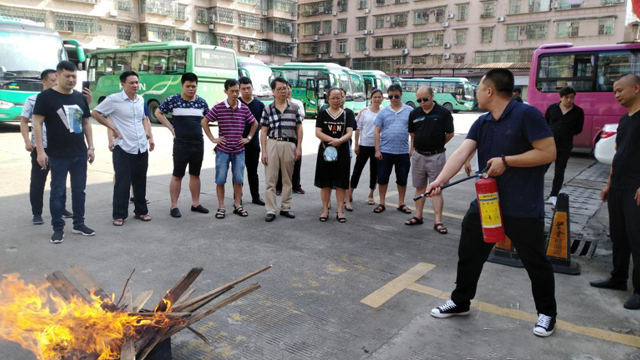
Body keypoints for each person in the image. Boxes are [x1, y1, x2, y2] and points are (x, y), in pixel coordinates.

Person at [426, 69, 558, 337]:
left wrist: (507, 160)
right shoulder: (483, 121)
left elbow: (548, 152)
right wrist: (439, 181)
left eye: (478, 88)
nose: (475, 93)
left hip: (522, 206)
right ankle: (461, 301)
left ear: (489, 91)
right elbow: (462, 151)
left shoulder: (526, 115)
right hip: (487, 203)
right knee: (470, 253)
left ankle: (547, 313)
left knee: (535, 262)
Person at [590, 73, 640, 310]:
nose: (617, 95)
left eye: (620, 90)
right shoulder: (624, 120)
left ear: (636, 88)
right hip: (618, 186)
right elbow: (618, 154)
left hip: (636, 188)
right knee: (619, 237)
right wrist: (609, 184)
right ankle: (618, 278)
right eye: (615, 91)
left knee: (637, 238)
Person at [33, 61, 96, 244]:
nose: (71, 79)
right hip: (57, 154)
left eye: (74, 76)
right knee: (57, 192)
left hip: (80, 153)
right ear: (58, 75)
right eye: (67, 76)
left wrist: (90, 147)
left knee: (79, 191)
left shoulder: (79, 97)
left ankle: (79, 224)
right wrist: (40, 151)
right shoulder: (46, 97)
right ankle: (58, 228)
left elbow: (85, 122)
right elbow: (36, 123)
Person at [92, 71, 155, 226]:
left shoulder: (140, 99)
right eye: (131, 83)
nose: (135, 85)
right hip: (124, 147)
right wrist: (112, 128)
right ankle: (119, 214)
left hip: (140, 146)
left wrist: (149, 137)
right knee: (122, 182)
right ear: (123, 84)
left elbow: (143, 119)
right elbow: (95, 113)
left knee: (140, 181)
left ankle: (141, 211)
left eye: (136, 82)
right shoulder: (114, 99)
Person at [20, 69, 73, 225]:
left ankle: (61, 208)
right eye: (52, 80)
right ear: (43, 81)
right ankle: (37, 212)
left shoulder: (64, 98)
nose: (56, 83)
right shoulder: (32, 100)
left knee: (60, 180)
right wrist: (27, 141)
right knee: (38, 181)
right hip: (40, 148)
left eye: (57, 80)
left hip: (60, 147)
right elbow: (24, 122)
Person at [155, 72, 210, 218]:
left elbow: (207, 120)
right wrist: (171, 128)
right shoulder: (174, 100)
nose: (191, 89)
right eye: (188, 86)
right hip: (181, 144)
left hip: (198, 143)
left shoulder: (202, 102)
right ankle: (174, 206)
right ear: (182, 86)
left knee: (195, 174)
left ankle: (196, 204)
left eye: (194, 86)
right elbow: (158, 112)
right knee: (177, 175)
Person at [202, 79, 257, 219]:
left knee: (238, 179)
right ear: (225, 91)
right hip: (222, 151)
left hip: (239, 150)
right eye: (232, 91)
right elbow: (204, 121)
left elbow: (255, 123)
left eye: (236, 91)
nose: (234, 94)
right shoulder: (219, 107)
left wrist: (248, 138)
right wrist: (213, 139)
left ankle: (238, 205)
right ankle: (221, 207)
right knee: (220, 179)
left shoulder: (244, 108)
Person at [406, 86, 454, 232]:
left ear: (432, 96)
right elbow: (412, 133)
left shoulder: (443, 113)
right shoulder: (414, 113)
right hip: (419, 155)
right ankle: (418, 216)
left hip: (436, 156)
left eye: (425, 99)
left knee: (436, 189)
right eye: (419, 100)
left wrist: (437, 144)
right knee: (419, 187)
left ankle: (438, 222)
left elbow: (450, 134)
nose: (422, 102)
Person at [260, 77, 303, 222]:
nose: (283, 91)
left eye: (285, 88)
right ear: (273, 91)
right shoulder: (267, 109)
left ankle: (286, 207)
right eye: (279, 89)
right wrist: (264, 151)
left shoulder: (294, 107)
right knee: (270, 180)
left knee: (287, 179)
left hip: (289, 144)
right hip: (272, 143)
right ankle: (271, 210)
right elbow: (264, 131)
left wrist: (299, 147)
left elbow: (299, 127)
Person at [315, 87, 356, 223]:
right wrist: (331, 140)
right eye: (333, 98)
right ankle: (325, 210)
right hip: (325, 151)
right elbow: (318, 132)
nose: (336, 100)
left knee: (341, 183)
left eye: (338, 97)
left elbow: (350, 132)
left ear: (342, 98)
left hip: (342, 152)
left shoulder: (347, 114)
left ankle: (340, 210)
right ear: (328, 99)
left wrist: (340, 140)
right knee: (325, 182)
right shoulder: (323, 113)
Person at [373, 83, 413, 215]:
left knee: (402, 179)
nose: (394, 99)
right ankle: (382, 203)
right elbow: (377, 131)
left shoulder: (409, 111)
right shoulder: (383, 111)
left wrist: (412, 149)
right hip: (385, 152)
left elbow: (414, 132)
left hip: (403, 152)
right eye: (391, 96)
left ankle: (401, 203)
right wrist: (377, 150)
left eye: (396, 96)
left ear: (401, 95)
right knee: (383, 178)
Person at [544, 86, 584, 206]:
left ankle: (554, 195)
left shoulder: (578, 112)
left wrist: (567, 133)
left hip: (565, 145)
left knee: (559, 171)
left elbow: (579, 128)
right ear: (560, 97)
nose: (569, 100)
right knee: (542, 169)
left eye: (571, 97)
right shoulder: (552, 109)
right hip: (550, 144)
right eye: (566, 97)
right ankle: (534, 192)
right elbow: (546, 123)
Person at [346, 89, 382, 210]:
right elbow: (358, 128)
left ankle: (371, 194)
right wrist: (356, 145)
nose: (377, 99)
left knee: (374, 171)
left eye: (379, 97)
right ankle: (350, 193)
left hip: (377, 147)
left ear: (382, 98)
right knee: (357, 170)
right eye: (375, 97)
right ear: (371, 98)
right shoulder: (364, 111)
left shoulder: (383, 112)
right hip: (364, 145)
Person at [238, 76, 266, 206]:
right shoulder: (236, 103)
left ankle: (256, 196)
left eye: (248, 88)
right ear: (239, 89)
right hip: (237, 145)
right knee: (238, 173)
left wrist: (250, 136)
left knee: (253, 172)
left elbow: (263, 125)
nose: (246, 91)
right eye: (243, 89)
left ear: (252, 87)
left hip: (253, 144)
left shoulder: (259, 105)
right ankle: (237, 198)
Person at [276, 84, 306, 195]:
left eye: (287, 88)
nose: (286, 91)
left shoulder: (297, 104)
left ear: (291, 89)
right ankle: (278, 186)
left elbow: (301, 118)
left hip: (294, 134)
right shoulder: (276, 104)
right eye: (283, 88)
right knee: (279, 162)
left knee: (297, 160)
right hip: (281, 135)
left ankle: (296, 185)